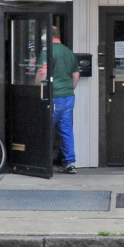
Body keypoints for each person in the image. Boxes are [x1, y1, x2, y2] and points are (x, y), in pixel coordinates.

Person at [49, 25, 81, 173]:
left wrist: (36, 88)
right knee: (66, 129)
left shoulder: (47, 51)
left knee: (44, 129)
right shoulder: (69, 53)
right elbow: (76, 76)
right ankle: (69, 163)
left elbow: (42, 72)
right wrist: (69, 89)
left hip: (53, 97)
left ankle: (41, 163)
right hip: (68, 97)